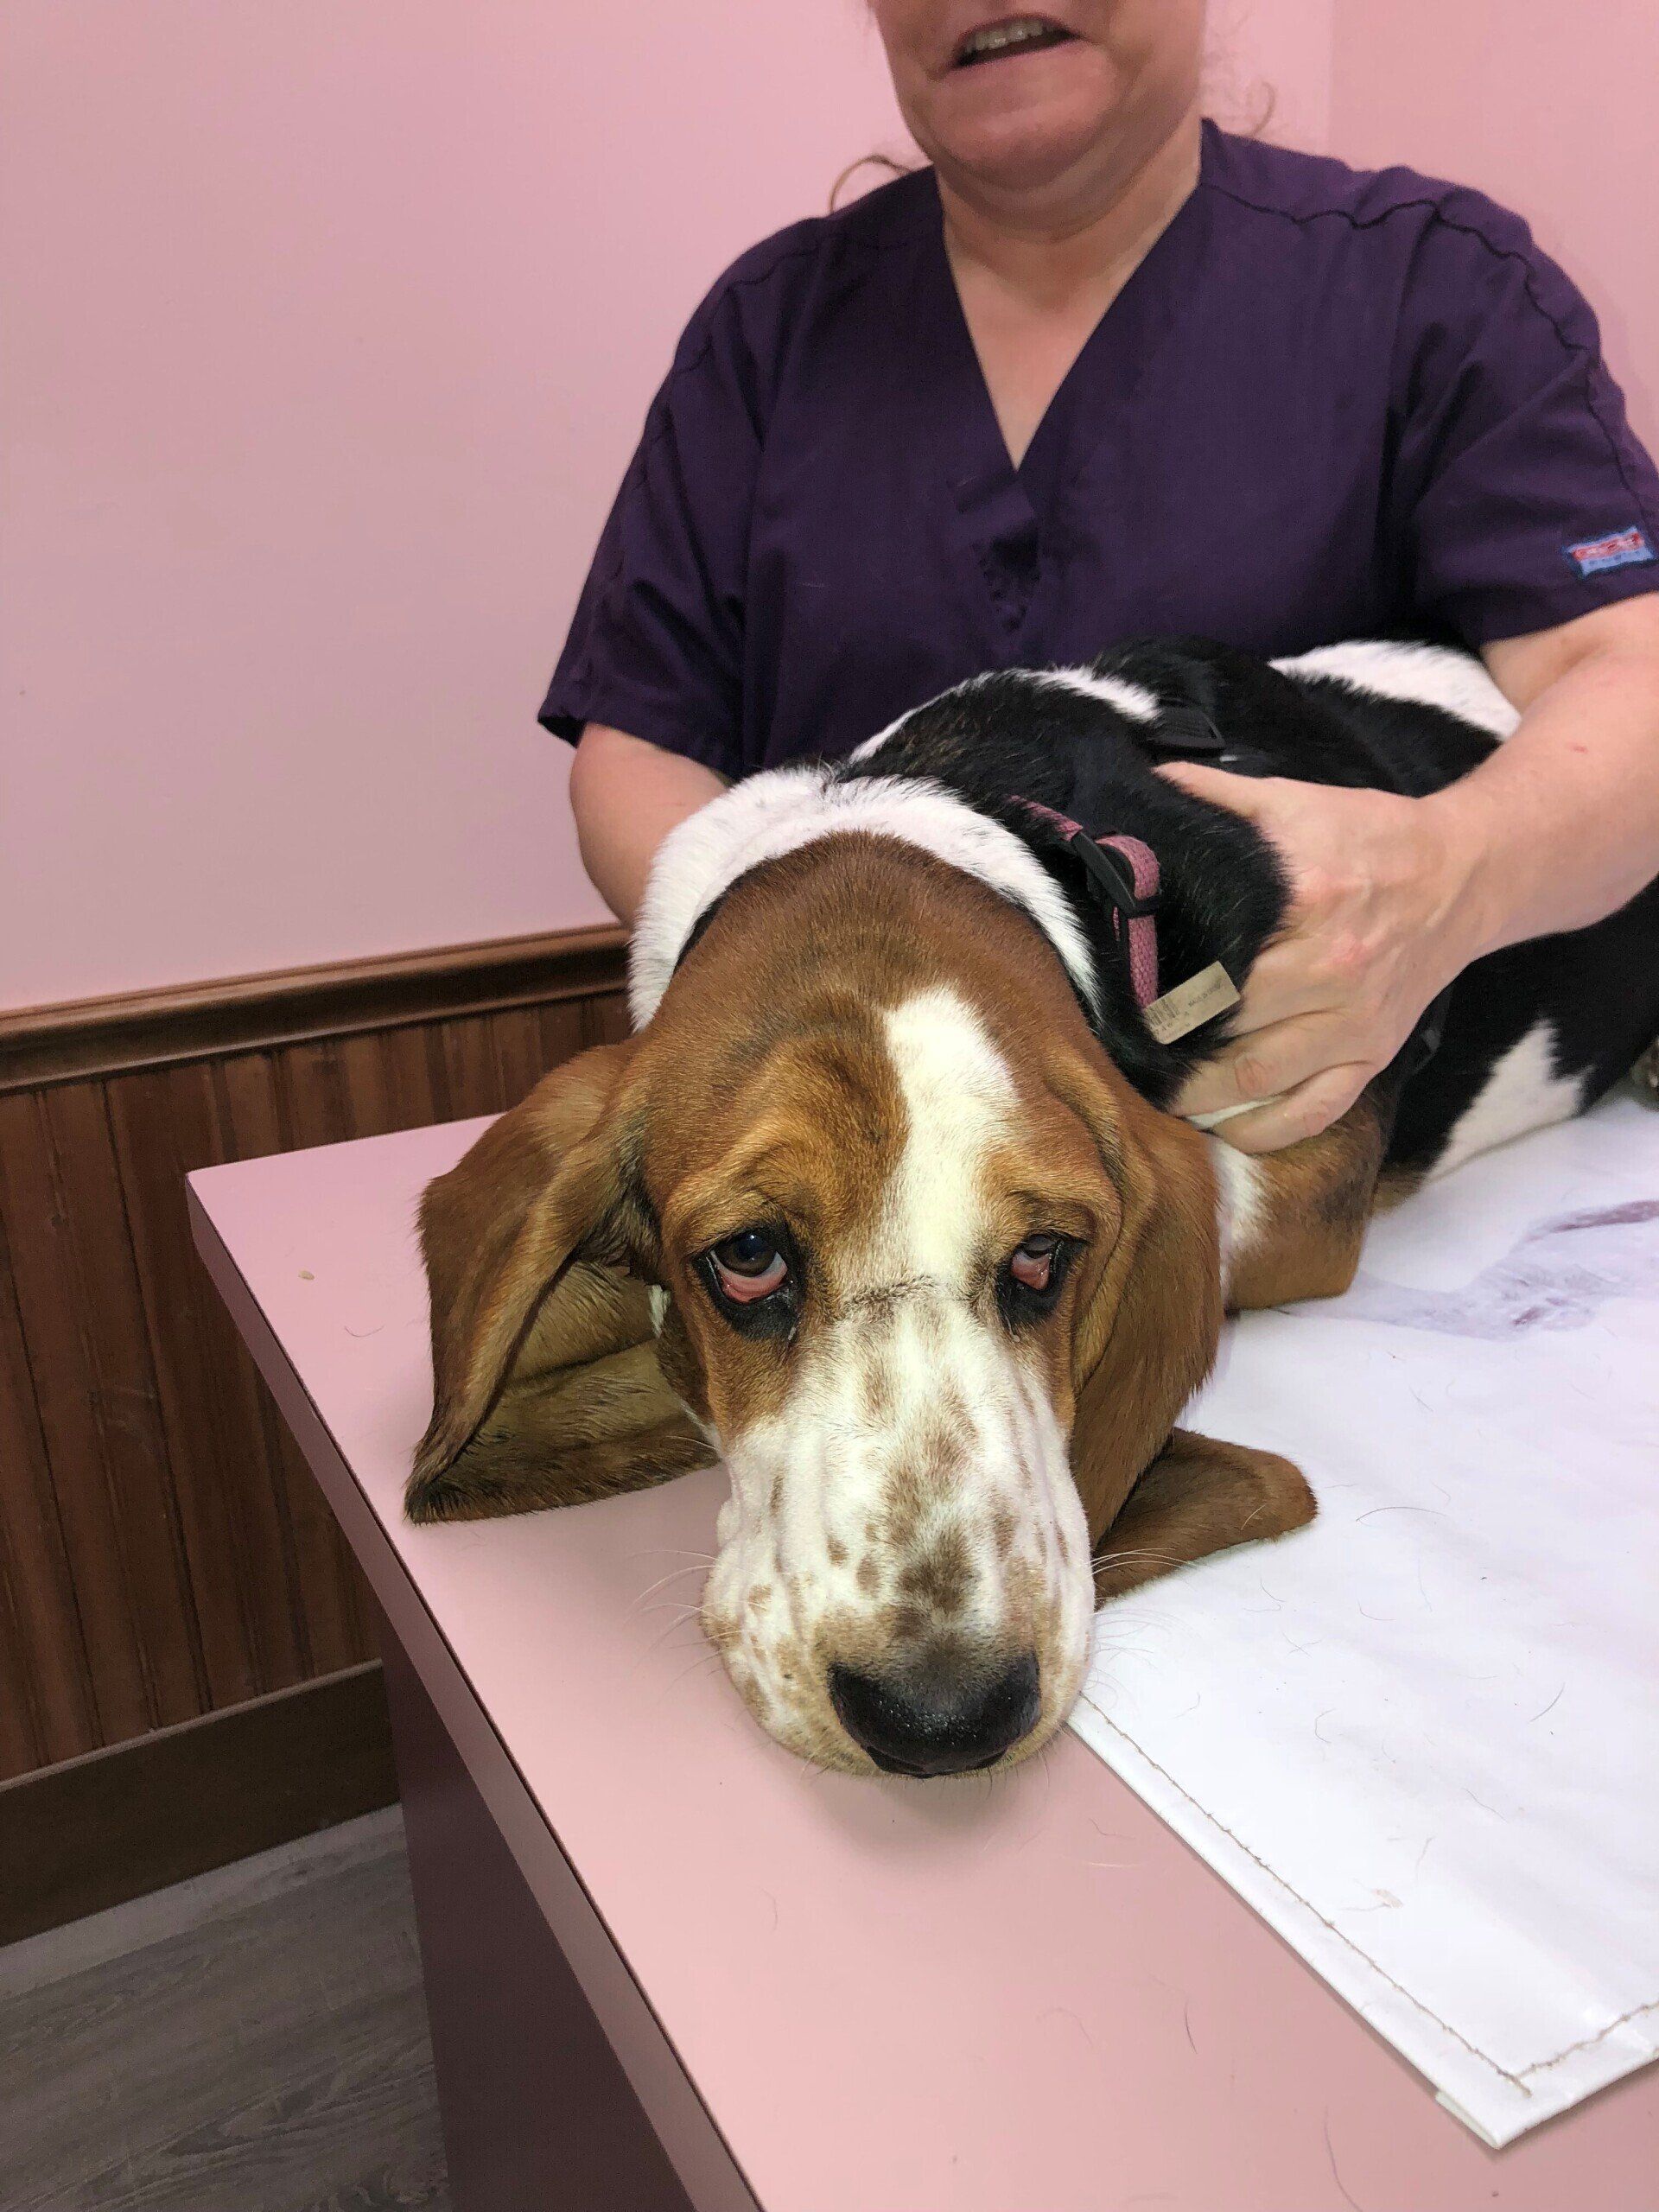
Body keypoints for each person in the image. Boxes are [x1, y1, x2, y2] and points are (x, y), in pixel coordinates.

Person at [545, 0, 1659, 1153]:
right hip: (873, 1170)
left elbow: (1630, 677)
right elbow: (639, 756)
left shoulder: (1431, 288)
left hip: (1315, 1183)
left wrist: (1446, 882)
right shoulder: (767, 338)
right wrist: (817, 962)